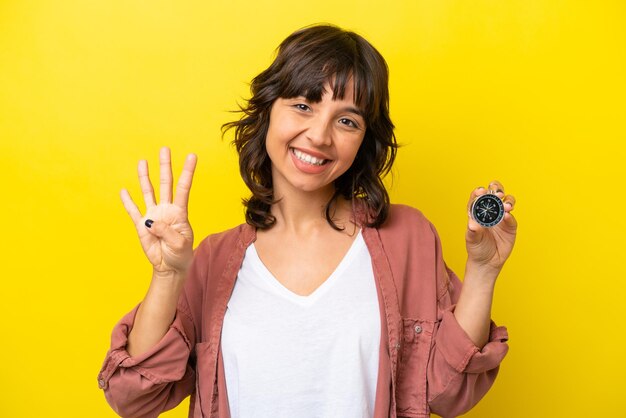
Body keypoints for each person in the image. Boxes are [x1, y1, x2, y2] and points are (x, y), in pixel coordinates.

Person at [98, 24, 516, 418]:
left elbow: (448, 392)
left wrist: (483, 269)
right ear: (267, 112)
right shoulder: (213, 259)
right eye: (302, 105)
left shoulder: (406, 238)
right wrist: (168, 276)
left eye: (347, 120)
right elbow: (135, 398)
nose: (319, 135)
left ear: (363, 141)